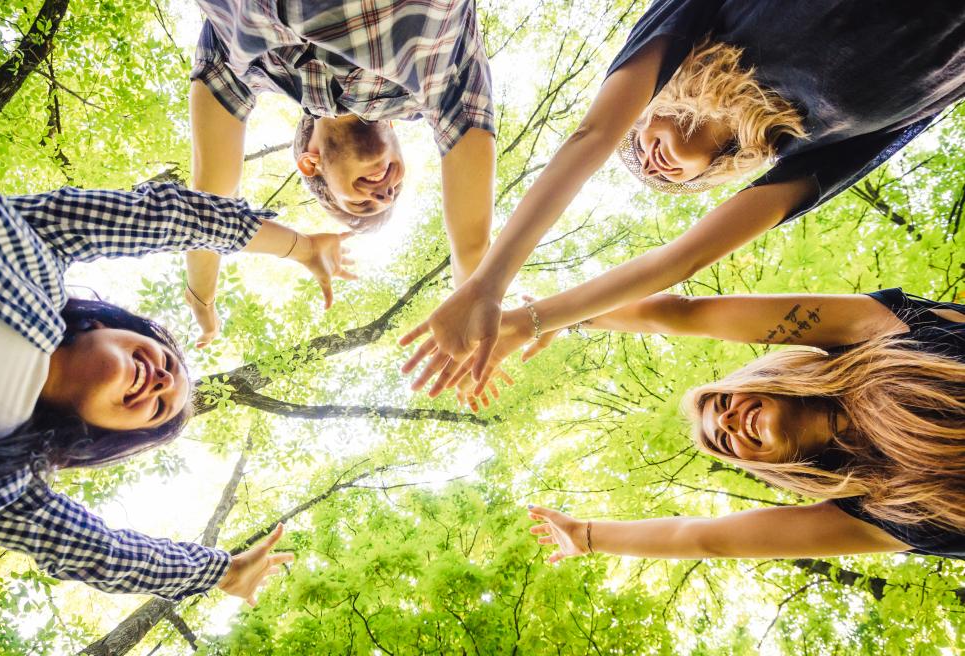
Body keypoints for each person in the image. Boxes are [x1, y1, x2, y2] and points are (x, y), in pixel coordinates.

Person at [399, 0, 965, 393]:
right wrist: (534, 320)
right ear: (714, 172)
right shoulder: (805, 147)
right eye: (668, 179)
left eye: (637, 143)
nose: (650, 162)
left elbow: (592, 136)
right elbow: (679, 262)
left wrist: (488, 283)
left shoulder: (702, 29)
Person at [0, 167, 354, 600]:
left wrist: (223, 573)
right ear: (107, 326)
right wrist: (301, 247)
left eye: (158, 407)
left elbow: (106, 555)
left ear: (103, 431)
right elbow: (164, 218)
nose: (161, 381)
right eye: (167, 363)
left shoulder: (2, 482)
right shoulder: (34, 257)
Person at [512, 288, 965, 561]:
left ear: (764, 380)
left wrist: (565, 316)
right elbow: (705, 539)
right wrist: (588, 536)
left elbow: (685, 313)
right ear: (766, 465)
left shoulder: (878, 334)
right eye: (724, 441)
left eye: (725, 402)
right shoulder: (881, 512)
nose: (728, 420)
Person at [185, 0, 497, 347]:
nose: (385, 195)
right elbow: (471, 245)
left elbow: (209, 206)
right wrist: (475, 315)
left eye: (362, 204)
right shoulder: (442, 88)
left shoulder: (242, 66)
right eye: (395, 192)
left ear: (310, 164)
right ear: (393, 127)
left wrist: (201, 295)